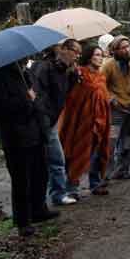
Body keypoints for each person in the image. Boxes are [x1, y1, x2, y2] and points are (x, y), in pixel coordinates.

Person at [0, 59, 57, 237]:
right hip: (16, 138)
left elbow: (37, 99)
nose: (28, 57)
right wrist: (26, 100)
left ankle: (38, 210)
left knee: (40, 174)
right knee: (21, 180)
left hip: (35, 132)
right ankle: (23, 221)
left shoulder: (25, 74)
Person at [58, 45, 112, 197]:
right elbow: (73, 97)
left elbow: (102, 99)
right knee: (76, 152)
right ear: (89, 57)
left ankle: (95, 184)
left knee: (96, 151)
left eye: (101, 55)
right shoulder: (79, 74)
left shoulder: (101, 77)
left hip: (98, 121)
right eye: (97, 55)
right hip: (80, 120)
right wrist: (73, 74)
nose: (100, 58)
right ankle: (72, 188)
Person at [34, 39, 81, 206]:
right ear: (64, 50)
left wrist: (74, 76)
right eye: (75, 51)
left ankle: (56, 193)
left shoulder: (64, 70)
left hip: (52, 119)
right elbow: (40, 96)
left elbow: (64, 93)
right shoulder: (45, 67)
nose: (78, 56)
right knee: (56, 159)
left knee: (52, 159)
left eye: (79, 53)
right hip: (45, 121)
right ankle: (58, 194)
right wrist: (44, 120)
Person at [102, 35, 130, 180]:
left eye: (128, 47)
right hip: (116, 110)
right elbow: (101, 86)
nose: (126, 50)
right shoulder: (108, 65)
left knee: (127, 141)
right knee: (111, 141)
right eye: (122, 48)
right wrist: (112, 100)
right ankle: (105, 174)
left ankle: (123, 169)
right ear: (115, 50)